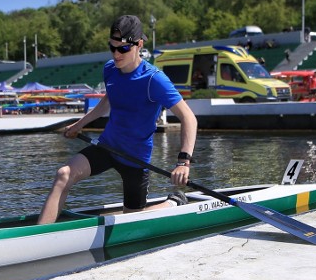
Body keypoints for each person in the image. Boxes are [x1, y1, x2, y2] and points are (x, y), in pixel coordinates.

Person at [37, 15, 197, 225]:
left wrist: (183, 162)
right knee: (63, 174)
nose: (116, 54)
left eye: (123, 49)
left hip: (135, 160)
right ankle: (41, 235)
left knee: (132, 220)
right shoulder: (110, 70)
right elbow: (106, 102)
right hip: (107, 148)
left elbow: (189, 118)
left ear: (139, 45)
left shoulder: (154, 80)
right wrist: (78, 126)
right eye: (112, 48)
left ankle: (173, 203)